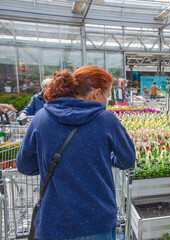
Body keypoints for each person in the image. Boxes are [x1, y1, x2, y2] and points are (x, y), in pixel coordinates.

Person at [16, 66, 136, 240]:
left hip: (53, 222)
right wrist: (105, 158)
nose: (107, 101)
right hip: (97, 221)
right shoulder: (106, 120)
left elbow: (24, 166)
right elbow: (127, 160)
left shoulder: (41, 118)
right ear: (96, 93)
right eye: (107, 95)